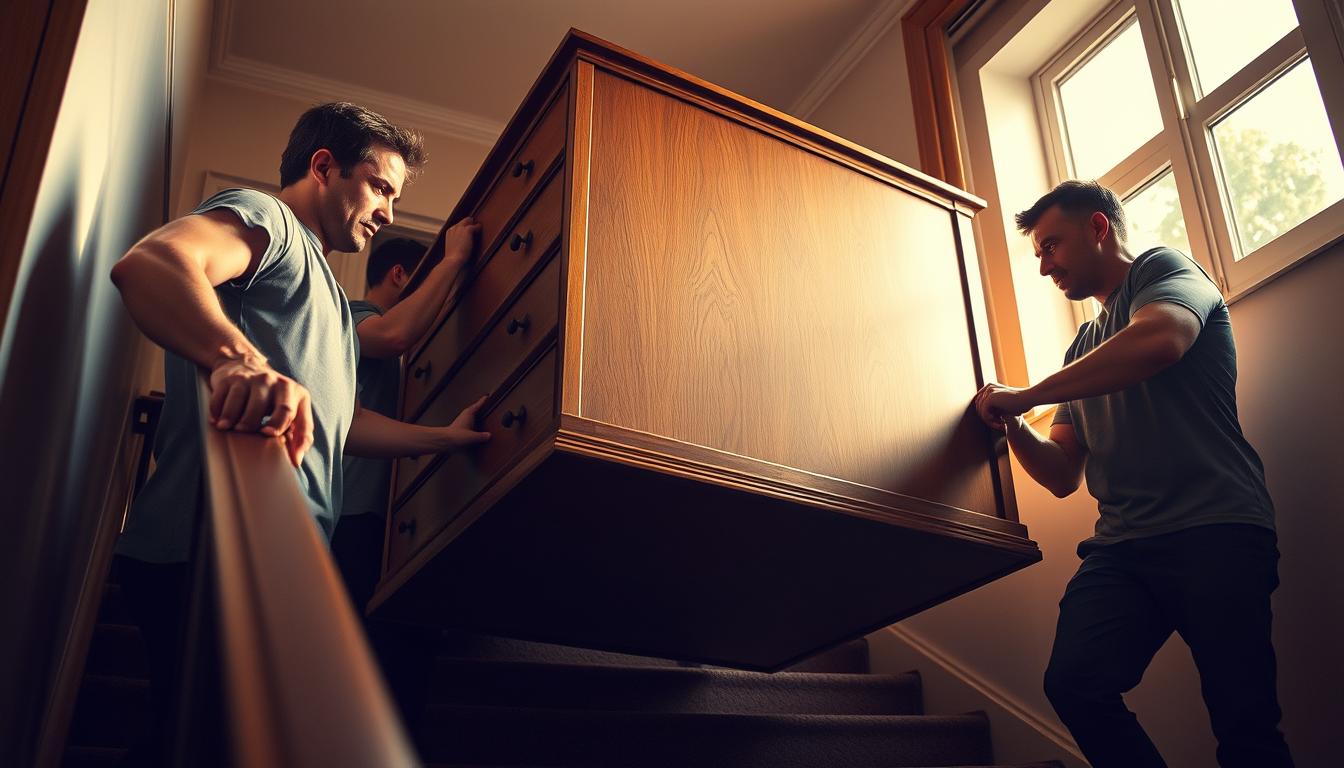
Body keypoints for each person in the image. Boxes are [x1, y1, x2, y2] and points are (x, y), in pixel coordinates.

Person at [109, 101, 489, 764]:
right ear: (324, 167)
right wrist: (239, 359)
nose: (390, 212)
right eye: (380, 187)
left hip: (276, 553)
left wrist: (441, 440)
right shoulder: (270, 221)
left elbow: (344, 424)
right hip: (210, 546)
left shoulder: (338, 309)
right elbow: (152, 264)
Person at [972, 180, 1292, 768]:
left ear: (1098, 228)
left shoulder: (1163, 269)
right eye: (1038, 253)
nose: (1044, 266)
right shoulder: (1080, 352)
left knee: (1245, 727)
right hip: (1124, 550)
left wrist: (1027, 396)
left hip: (1216, 531)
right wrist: (1014, 426)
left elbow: (1163, 339)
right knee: (1073, 685)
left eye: (1052, 246)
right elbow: (1064, 472)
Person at [329, 233, 478, 724]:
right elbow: (394, 335)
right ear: (400, 276)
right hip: (350, 512)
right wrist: (453, 259)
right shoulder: (348, 314)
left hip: (376, 515)